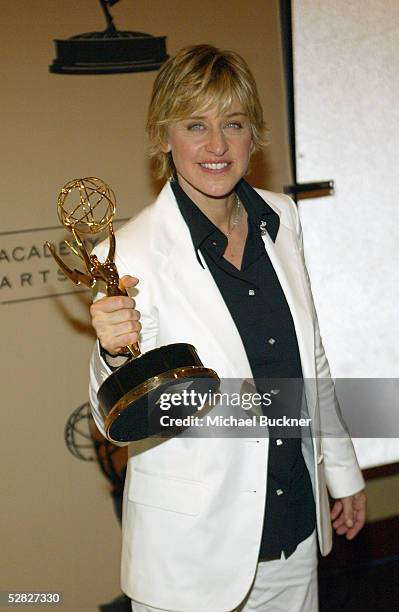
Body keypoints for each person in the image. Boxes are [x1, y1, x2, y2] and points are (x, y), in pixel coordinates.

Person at [89, 45, 367, 612]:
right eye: (196, 125)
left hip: (293, 536)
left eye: (233, 124)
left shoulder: (281, 218)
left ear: (252, 135)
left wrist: (341, 470)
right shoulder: (129, 254)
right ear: (163, 135)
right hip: (192, 555)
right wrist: (114, 354)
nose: (217, 146)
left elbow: (308, 358)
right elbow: (114, 417)